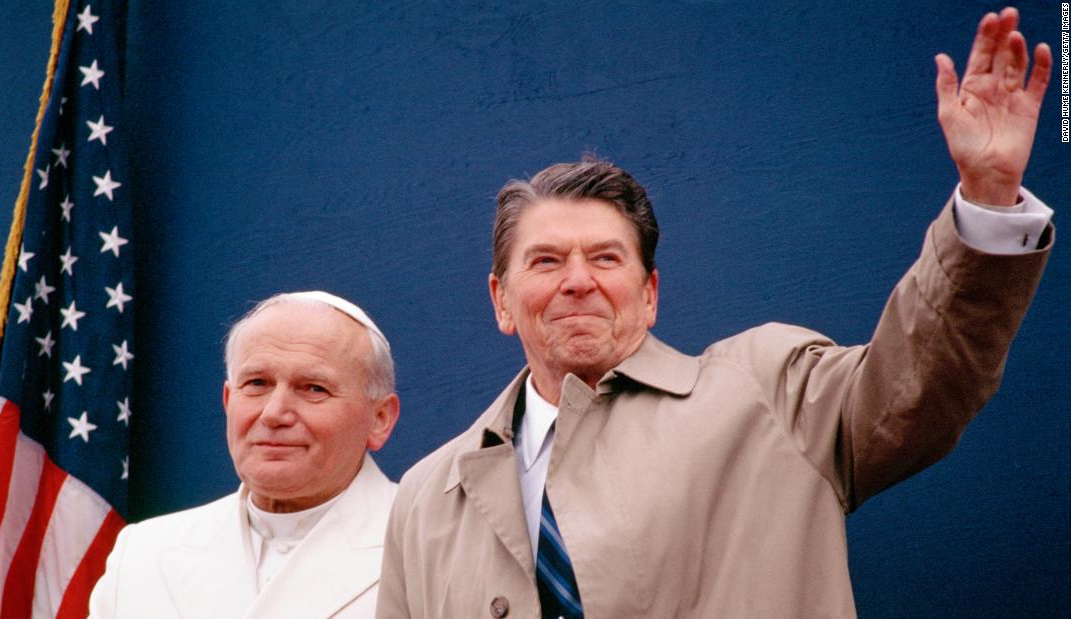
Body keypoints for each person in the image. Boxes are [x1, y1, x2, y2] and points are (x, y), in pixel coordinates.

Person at [377, 7, 1054, 618]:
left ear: (650, 295)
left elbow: (919, 383)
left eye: (607, 260)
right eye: (547, 261)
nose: (577, 282)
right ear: (501, 299)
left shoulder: (769, 391)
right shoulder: (426, 496)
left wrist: (988, 201)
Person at [89, 291, 401, 618]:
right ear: (228, 400)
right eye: (257, 383)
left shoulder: (426, 547)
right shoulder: (143, 553)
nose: (274, 413)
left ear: (380, 419)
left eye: (313, 388)